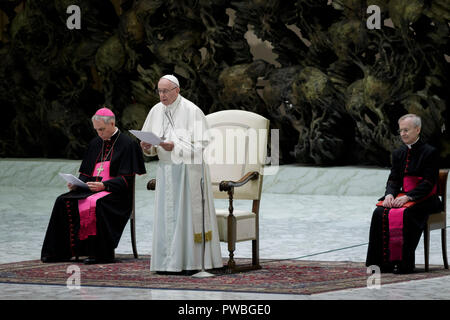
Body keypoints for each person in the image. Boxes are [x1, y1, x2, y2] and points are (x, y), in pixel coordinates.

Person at [41, 107, 146, 264]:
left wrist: (104, 186)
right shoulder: (95, 143)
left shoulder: (128, 144)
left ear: (112, 123)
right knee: (62, 201)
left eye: (102, 129)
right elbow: (86, 173)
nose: (99, 134)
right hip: (90, 189)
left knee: (97, 203)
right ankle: (60, 252)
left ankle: (102, 253)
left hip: (117, 195)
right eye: (96, 130)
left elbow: (126, 180)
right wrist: (77, 184)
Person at [140, 74, 223, 274]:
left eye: (166, 91)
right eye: (159, 91)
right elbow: (149, 143)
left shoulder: (192, 110)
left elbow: (202, 143)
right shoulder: (155, 110)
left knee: (184, 217)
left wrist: (174, 146)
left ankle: (190, 263)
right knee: (167, 217)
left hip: (188, 171)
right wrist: (147, 146)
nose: (162, 95)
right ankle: (166, 263)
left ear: (177, 90)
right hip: (166, 170)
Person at [366, 114, 442, 274]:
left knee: (406, 214)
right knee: (379, 212)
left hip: (425, 199)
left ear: (417, 129)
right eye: (401, 130)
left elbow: (429, 183)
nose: (403, 134)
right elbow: (393, 179)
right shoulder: (398, 153)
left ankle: (403, 264)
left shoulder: (430, 152)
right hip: (403, 197)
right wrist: (389, 195)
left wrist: (409, 197)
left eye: (406, 130)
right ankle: (381, 264)